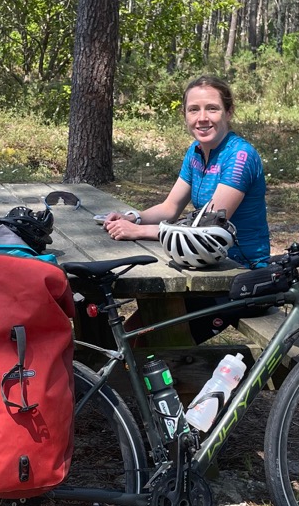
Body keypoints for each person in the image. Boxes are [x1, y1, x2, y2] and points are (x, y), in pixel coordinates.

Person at [102, 75, 271, 341]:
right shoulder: (195, 151)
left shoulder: (240, 156)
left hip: (239, 277)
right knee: (127, 335)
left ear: (228, 111)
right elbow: (170, 207)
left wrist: (138, 232)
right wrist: (133, 217)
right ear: (185, 115)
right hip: (205, 268)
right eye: (194, 110)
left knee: (144, 340)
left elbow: (206, 230)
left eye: (212, 108)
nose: (202, 118)